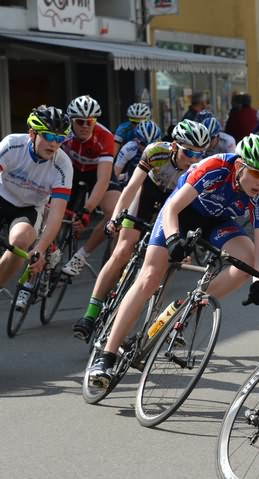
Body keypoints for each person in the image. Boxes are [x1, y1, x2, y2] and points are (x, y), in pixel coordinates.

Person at [86, 134, 259, 387]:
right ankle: (107, 356)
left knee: (248, 261)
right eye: (256, 173)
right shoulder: (215, 167)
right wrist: (173, 240)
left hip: (218, 222)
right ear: (239, 165)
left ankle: (190, 303)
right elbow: (172, 209)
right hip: (182, 213)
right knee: (149, 278)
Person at [72, 120, 210, 341]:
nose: (193, 159)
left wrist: (183, 243)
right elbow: (131, 188)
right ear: (175, 146)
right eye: (188, 152)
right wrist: (116, 218)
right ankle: (90, 314)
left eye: (199, 154)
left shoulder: (200, 167)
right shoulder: (156, 152)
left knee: (161, 269)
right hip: (146, 195)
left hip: (172, 204)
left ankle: (143, 327)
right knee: (122, 251)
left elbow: (191, 208)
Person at [0, 106, 73, 306]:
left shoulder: (63, 165)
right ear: (32, 134)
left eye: (60, 139)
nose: (54, 143)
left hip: (29, 208)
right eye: (48, 136)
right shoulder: (12, 145)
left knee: (21, 240)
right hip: (2, 196)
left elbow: (56, 214)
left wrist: (40, 248)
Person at [60, 95, 120, 277]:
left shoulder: (105, 136)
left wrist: (87, 210)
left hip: (96, 173)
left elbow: (103, 179)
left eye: (90, 122)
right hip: (71, 170)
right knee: (55, 209)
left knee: (115, 212)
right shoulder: (62, 132)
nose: (85, 126)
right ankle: (49, 252)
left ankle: (81, 255)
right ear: (71, 121)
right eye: (80, 121)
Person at [113, 120, 162, 186]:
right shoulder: (128, 148)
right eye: (143, 144)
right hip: (134, 180)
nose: (147, 148)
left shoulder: (164, 149)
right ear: (136, 140)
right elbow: (115, 174)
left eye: (152, 144)